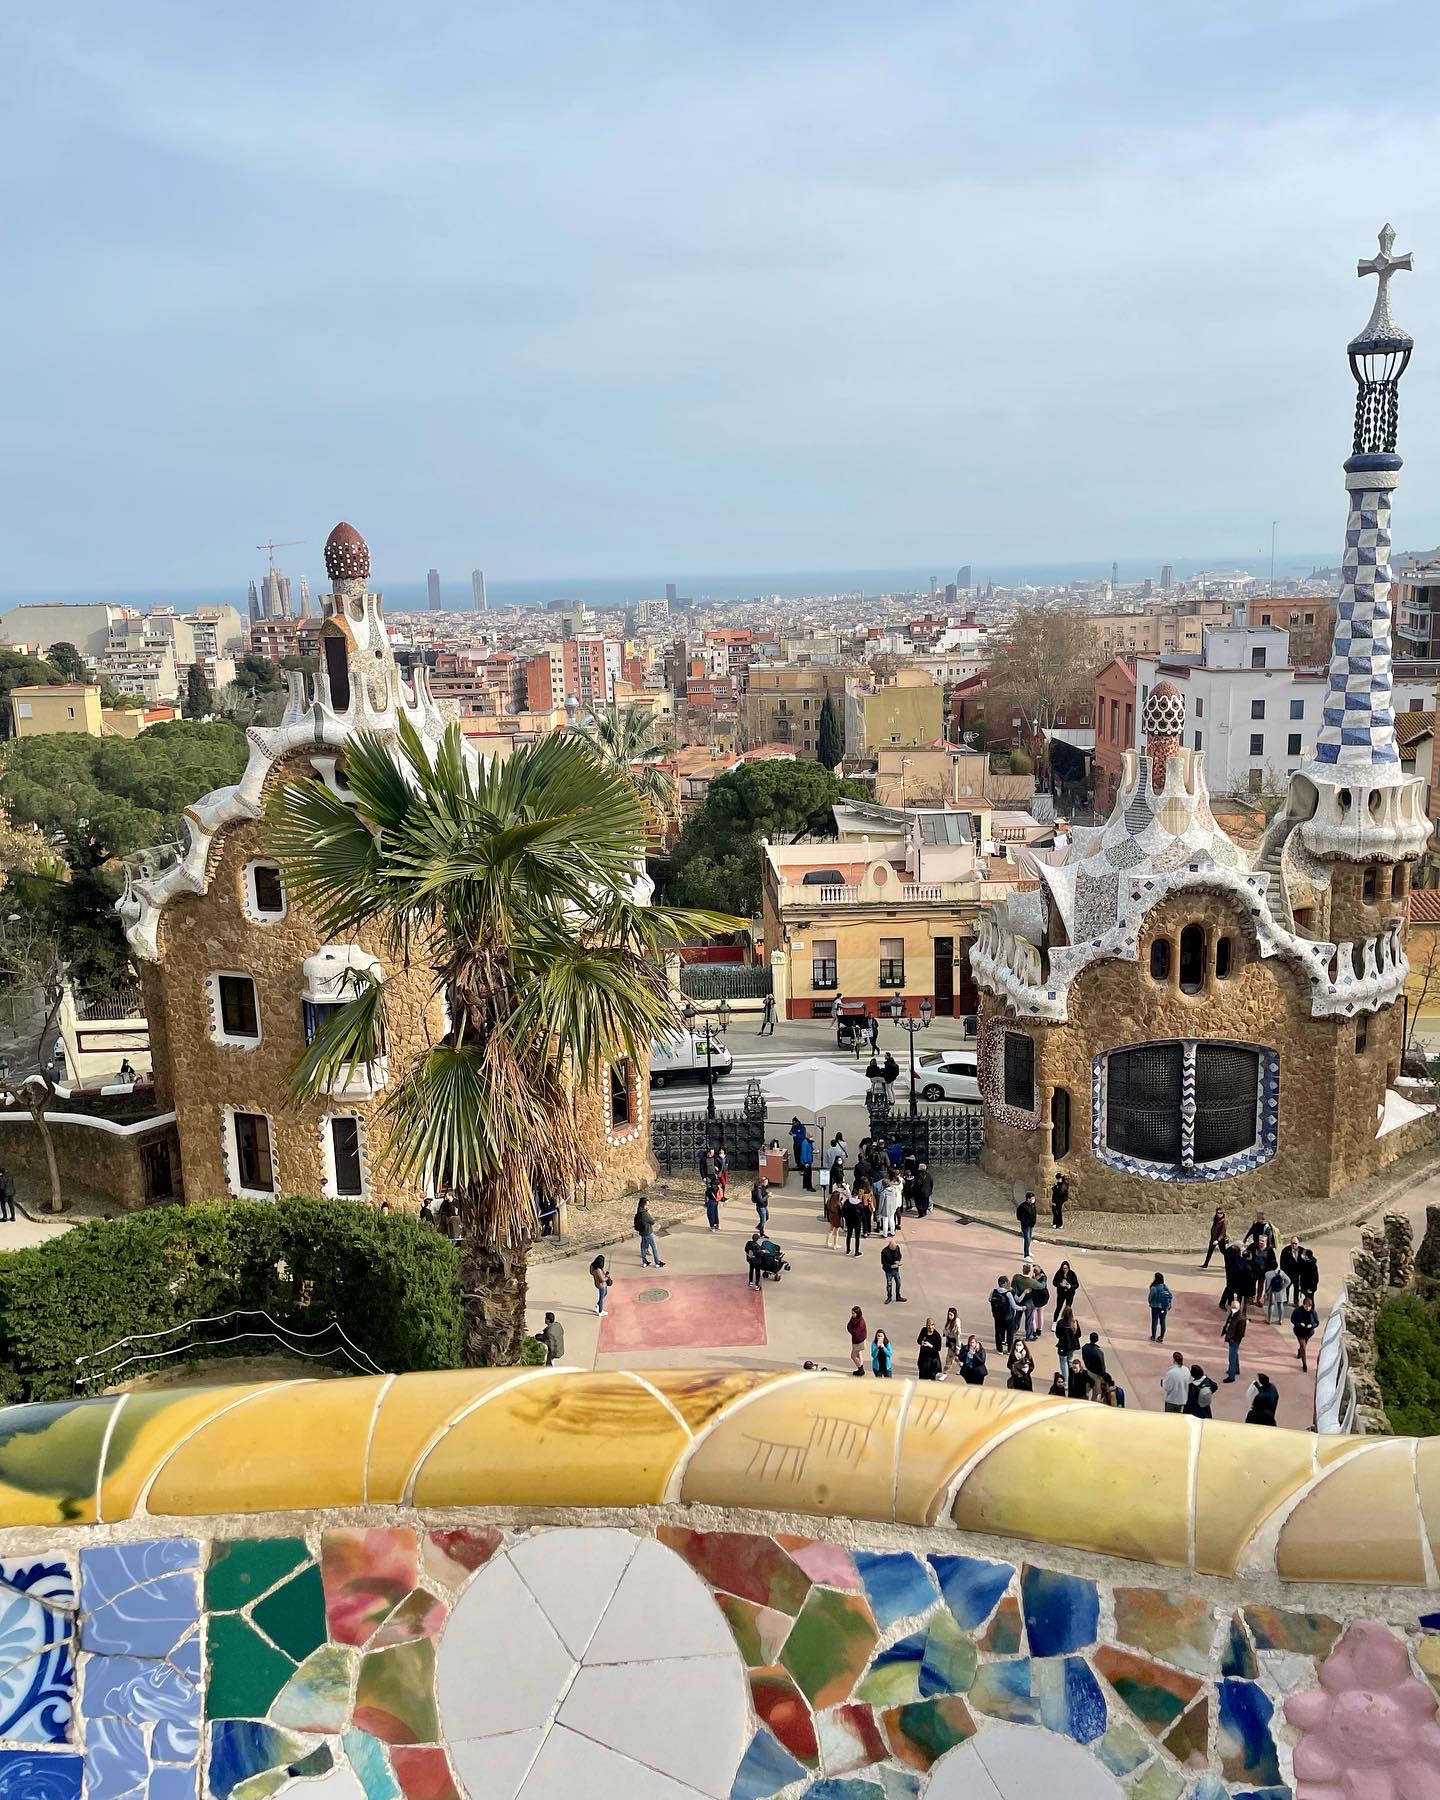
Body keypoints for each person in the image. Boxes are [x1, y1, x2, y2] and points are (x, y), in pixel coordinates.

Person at [1011, 1261, 1042, 1341]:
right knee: (1029, 1319)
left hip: (1018, 1300)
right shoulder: (1032, 1281)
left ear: (1022, 1269)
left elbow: (1012, 1285)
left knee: (1017, 1317)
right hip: (1028, 1301)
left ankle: (1013, 1331)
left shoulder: (1016, 1277)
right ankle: (1029, 1335)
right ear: (1030, 1271)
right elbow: (1041, 1286)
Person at [988, 1276, 1019, 1353]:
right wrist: (1022, 1308)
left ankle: (1000, 1350)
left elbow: (989, 1299)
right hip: (1008, 1316)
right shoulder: (1008, 1293)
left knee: (998, 1332)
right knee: (1010, 1333)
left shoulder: (993, 1291)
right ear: (1005, 1283)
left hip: (997, 1316)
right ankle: (1009, 1350)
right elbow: (1014, 1305)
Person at [1221, 1296, 1247, 1382]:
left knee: (1231, 1357)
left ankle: (1231, 1376)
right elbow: (1229, 1322)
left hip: (1234, 1339)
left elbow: (1241, 1333)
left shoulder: (1241, 1318)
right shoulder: (1233, 1314)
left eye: (1235, 1307)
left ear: (1239, 1308)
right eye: (1232, 1307)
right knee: (1234, 1353)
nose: (1233, 1309)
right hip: (1230, 1337)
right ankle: (1236, 1369)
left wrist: (1234, 1339)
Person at [634, 1196, 665, 1268]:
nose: (648, 1206)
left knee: (643, 1247)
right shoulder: (644, 1214)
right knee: (654, 1247)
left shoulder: (639, 1212)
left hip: (642, 1233)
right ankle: (657, 1262)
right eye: (647, 1205)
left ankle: (644, 1262)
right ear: (643, 1205)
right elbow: (652, 1221)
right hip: (648, 1232)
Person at [1292, 1293, 1318, 1372]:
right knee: (1304, 1346)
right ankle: (1304, 1364)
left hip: (1309, 1332)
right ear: (1303, 1305)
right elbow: (1292, 1319)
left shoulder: (1313, 1312)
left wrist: (1312, 1325)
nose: (1308, 1308)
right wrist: (1299, 1323)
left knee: (1303, 1345)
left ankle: (1300, 1351)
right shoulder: (1297, 1311)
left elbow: (1317, 1322)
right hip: (1299, 1331)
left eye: (1309, 1306)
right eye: (1306, 1306)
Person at [1054, 1299, 1081, 1374]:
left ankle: (1065, 1380)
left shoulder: (1060, 1322)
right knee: (1070, 1361)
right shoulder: (1075, 1322)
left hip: (1063, 1345)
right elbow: (1079, 1334)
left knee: (1063, 1362)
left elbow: (1058, 1335)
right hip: (1072, 1345)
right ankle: (1071, 1378)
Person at [1147, 1271, 1173, 1343]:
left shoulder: (1154, 1288)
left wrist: (1151, 1304)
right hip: (1163, 1307)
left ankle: (1153, 1337)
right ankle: (1161, 1337)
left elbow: (1150, 1298)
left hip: (1155, 1307)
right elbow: (1170, 1295)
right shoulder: (1164, 1286)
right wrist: (1169, 1304)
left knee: (1154, 1321)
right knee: (1162, 1321)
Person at [881, 1235, 905, 1303]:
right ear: (890, 1246)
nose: (895, 1249)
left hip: (896, 1270)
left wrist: (898, 1261)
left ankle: (898, 1296)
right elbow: (883, 1263)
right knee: (889, 1285)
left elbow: (900, 1255)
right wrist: (891, 1266)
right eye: (893, 1248)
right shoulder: (884, 1251)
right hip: (888, 1270)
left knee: (898, 1283)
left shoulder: (897, 1248)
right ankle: (889, 1297)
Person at [842, 1187, 866, 1257]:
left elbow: (844, 1212)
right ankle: (856, 1251)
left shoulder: (847, 1202)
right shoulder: (860, 1204)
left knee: (849, 1235)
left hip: (849, 1221)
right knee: (857, 1237)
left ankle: (848, 1249)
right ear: (857, 1195)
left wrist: (846, 1218)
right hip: (857, 1222)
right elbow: (863, 1216)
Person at [823, 1180, 845, 1249]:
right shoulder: (838, 1204)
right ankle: (835, 1244)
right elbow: (841, 1210)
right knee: (836, 1231)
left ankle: (827, 1242)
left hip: (831, 1215)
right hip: (837, 1217)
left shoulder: (830, 1200)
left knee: (830, 1229)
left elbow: (827, 1206)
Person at [847, 1305, 867, 1376]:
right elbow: (849, 1325)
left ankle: (860, 1369)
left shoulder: (860, 1322)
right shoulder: (854, 1318)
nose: (852, 1315)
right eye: (852, 1313)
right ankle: (860, 1368)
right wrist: (850, 1328)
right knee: (859, 1353)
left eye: (853, 1313)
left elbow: (855, 1332)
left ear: (857, 1313)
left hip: (858, 1341)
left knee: (853, 1356)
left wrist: (850, 1328)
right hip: (858, 1340)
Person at [1016, 1190, 1037, 1256]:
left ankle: (1027, 1250)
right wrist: (1024, 1222)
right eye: (1032, 1198)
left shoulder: (1033, 1205)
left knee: (1029, 1239)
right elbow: (1019, 1215)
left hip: (1031, 1225)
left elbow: (1034, 1214)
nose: (1033, 1199)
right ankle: (1026, 1254)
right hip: (1025, 1226)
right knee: (1027, 1239)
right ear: (1028, 1199)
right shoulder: (1023, 1206)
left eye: (1034, 1198)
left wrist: (1033, 1222)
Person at [942, 1306, 962, 1374]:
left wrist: (958, 1348)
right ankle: (962, 1368)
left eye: (951, 1315)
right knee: (957, 1358)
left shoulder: (956, 1325)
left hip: (954, 1344)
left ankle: (945, 1371)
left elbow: (958, 1338)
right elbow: (946, 1330)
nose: (949, 1316)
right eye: (948, 1314)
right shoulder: (949, 1322)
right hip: (950, 1343)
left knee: (949, 1358)